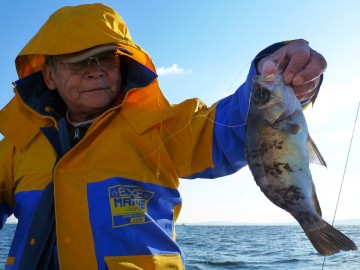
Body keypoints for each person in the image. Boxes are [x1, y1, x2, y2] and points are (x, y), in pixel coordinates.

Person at [0, 3, 326, 270]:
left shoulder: (161, 127)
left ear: (124, 65)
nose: (96, 70)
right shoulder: (15, 146)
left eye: (107, 59)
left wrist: (276, 70)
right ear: (50, 75)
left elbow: (238, 125)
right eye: (77, 62)